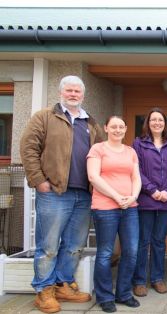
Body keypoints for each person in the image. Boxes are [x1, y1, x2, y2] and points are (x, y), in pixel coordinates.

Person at [20, 75, 104, 313]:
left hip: (83, 194)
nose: (73, 94)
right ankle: (43, 290)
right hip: (55, 191)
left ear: (83, 95)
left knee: (74, 244)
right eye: (69, 90)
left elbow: (102, 153)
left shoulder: (90, 123)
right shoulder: (45, 117)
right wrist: (39, 181)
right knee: (48, 245)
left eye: (77, 91)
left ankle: (62, 285)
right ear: (61, 93)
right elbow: (28, 148)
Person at [87, 116, 141, 313]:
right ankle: (105, 296)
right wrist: (117, 196)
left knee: (131, 251)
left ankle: (124, 293)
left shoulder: (131, 151)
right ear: (106, 128)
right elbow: (93, 176)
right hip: (105, 208)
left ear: (125, 129)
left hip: (130, 207)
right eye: (113, 127)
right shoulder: (98, 149)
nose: (117, 130)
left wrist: (133, 196)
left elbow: (136, 177)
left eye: (121, 127)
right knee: (105, 253)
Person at [132, 107, 167, 297]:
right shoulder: (138, 143)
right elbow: (136, 170)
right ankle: (138, 281)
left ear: (165, 124)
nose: (157, 123)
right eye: (153, 120)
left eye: (160, 120)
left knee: (159, 241)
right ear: (148, 123)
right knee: (143, 241)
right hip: (146, 200)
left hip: (166, 201)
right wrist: (152, 190)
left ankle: (157, 279)